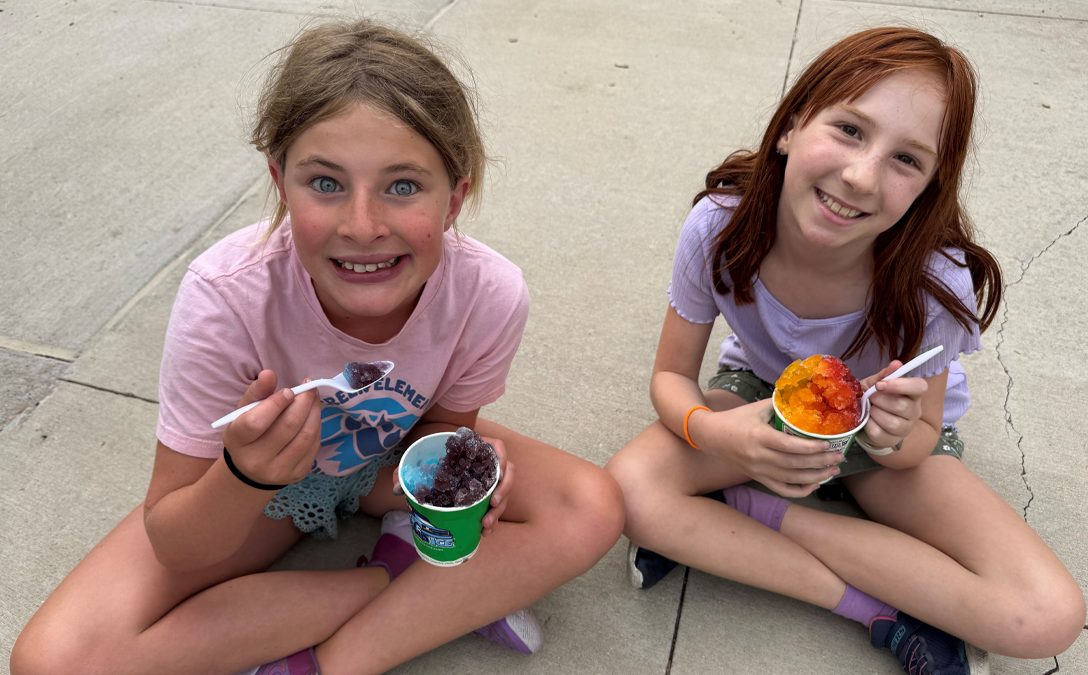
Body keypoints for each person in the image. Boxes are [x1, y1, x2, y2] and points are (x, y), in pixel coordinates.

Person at [11, 18, 623, 675]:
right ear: (281, 183)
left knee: (590, 508)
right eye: (326, 183)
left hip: (384, 458)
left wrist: (449, 472)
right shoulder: (226, 298)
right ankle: (413, 585)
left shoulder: (488, 294)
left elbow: (438, 425)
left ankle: (333, 660)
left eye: (403, 185)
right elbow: (179, 541)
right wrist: (247, 475)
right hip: (261, 485)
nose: (362, 226)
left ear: (455, 198)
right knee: (51, 662)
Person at [605, 27, 1084, 675]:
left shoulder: (936, 280)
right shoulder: (720, 225)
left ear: (930, 186)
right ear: (791, 125)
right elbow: (670, 376)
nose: (860, 176)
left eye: (906, 159)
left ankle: (746, 507)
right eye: (850, 129)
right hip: (763, 393)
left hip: (884, 437)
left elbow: (918, 437)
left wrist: (889, 438)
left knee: (1046, 616)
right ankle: (877, 611)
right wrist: (718, 435)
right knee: (628, 492)